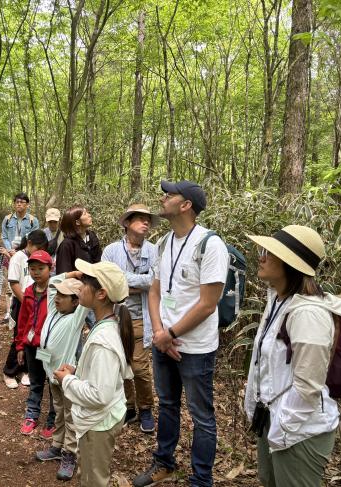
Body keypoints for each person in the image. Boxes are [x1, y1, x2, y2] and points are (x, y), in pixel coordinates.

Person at [133, 180, 228, 487]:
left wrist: (169, 332)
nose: (163, 198)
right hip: (165, 342)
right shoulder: (164, 243)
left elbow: (208, 304)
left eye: (169, 195)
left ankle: (201, 480)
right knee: (169, 405)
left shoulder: (210, 245)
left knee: (201, 416)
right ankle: (164, 463)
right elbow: (155, 292)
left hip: (196, 348)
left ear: (186, 205)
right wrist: (160, 332)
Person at [244, 225, 341, 487]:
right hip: (275, 419)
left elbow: (308, 385)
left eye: (269, 252)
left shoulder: (308, 314)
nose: (262, 256)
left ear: (291, 263)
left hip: (299, 430)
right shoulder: (279, 299)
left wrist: (284, 427)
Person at [54, 259, 134, 487]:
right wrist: (79, 371)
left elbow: (99, 395)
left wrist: (67, 380)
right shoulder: (106, 325)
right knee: (89, 472)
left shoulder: (102, 340)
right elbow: (103, 374)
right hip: (100, 420)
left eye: (86, 282)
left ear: (101, 294)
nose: (79, 286)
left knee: (93, 480)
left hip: (98, 424)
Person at [102, 204, 159, 433]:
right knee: (120, 364)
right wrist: (140, 283)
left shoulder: (155, 251)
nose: (145, 223)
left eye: (148, 220)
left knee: (139, 367)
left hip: (141, 317)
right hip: (115, 316)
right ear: (127, 223)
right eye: (140, 219)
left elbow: (156, 281)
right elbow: (107, 279)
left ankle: (146, 408)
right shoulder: (111, 251)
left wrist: (125, 283)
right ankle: (129, 406)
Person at [35, 272, 88, 481]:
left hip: (66, 377)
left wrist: (85, 281)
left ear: (76, 301)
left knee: (70, 415)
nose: (57, 298)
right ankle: (57, 446)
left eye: (63, 296)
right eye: (57, 295)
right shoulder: (53, 309)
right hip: (52, 374)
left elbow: (84, 299)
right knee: (58, 411)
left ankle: (70, 454)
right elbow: (52, 284)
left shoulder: (76, 318)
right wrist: (71, 275)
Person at [16, 250, 56, 437]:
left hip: (50, 347)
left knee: (54, 384)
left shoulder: (56, 292)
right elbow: (23, 320)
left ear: (50, 268)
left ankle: (53, 419)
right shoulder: (29, 292)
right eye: (32, 269)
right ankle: (31, 415)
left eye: (41, 268)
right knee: (36, 382)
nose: (36, 272)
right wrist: (20, 346)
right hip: (32, 346)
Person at [3, 230, 49, 389]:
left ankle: (26, 370)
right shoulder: (18, 258)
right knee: (20, 336)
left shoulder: (38, 259)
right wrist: (28, 302)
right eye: (39, 248)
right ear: (29, 243)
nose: (41, 251)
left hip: (36, 303)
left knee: (33, 337)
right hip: (22, 303)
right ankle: (9, 372)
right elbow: (14, 283)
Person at [54, 205, 101, 274]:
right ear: (77, 222)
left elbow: (98, 261)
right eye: (85, 214)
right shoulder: (67, 245)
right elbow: (63, 273)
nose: (89, 215)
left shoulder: (92, 236)